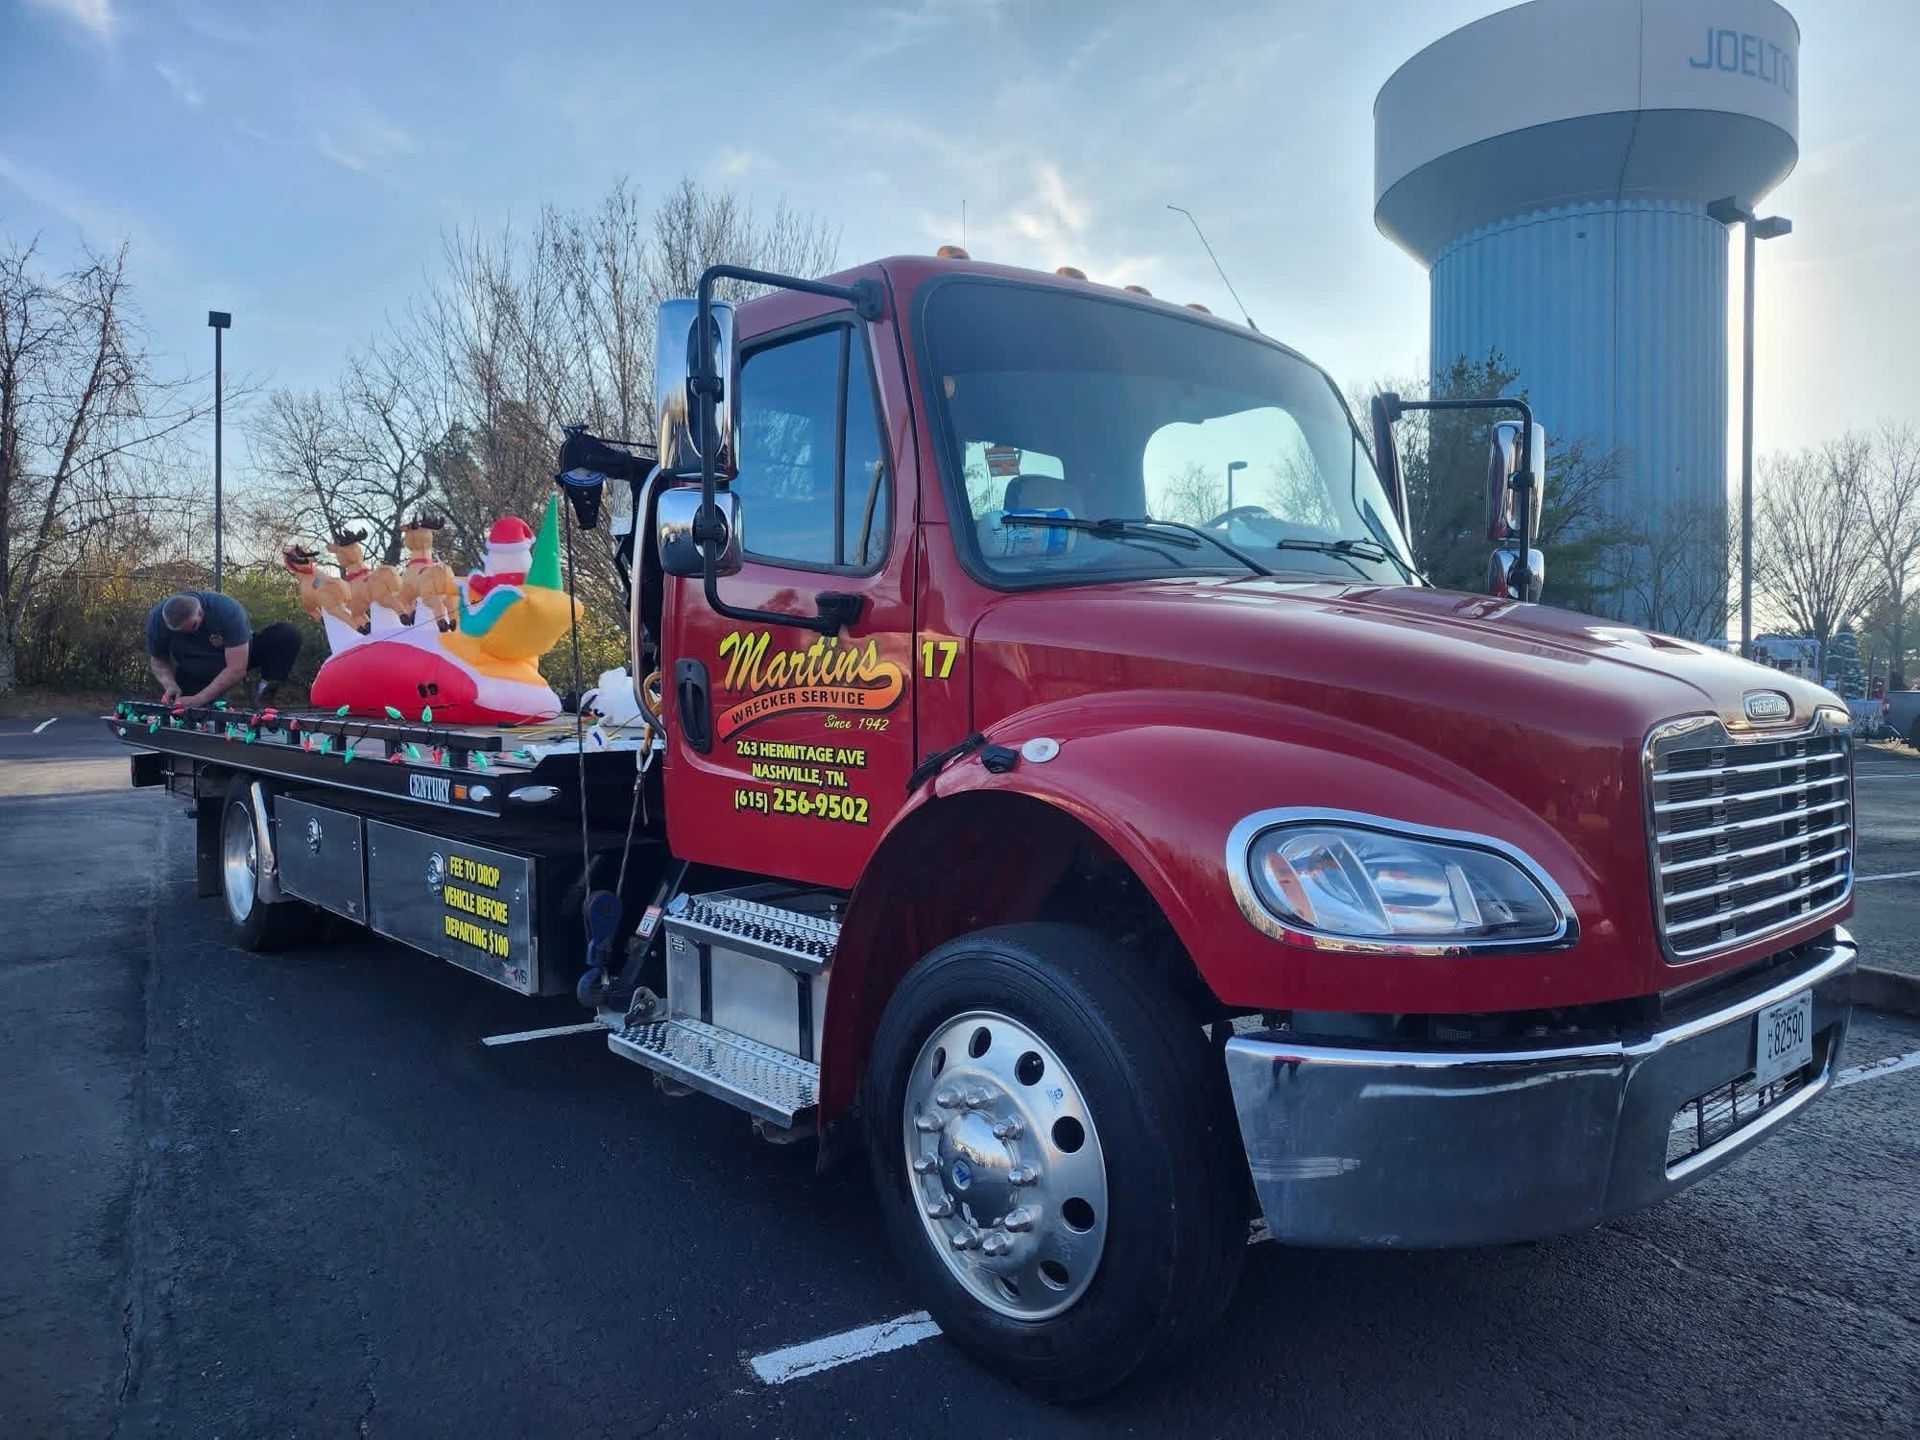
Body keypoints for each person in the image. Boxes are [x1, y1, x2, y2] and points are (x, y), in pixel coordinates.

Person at [146, 591, 302, 708]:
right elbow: (158, 659)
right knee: (185, 713)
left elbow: (236, 668)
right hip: (195, 670)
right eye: (179, 632)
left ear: (201, 613)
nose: (188, 634)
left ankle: (265, 691)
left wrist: (200, 698)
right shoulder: (156, 621)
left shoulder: (227, 611)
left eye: (193, 627)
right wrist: (169, 684)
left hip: (237, 654)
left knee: (287, 635)